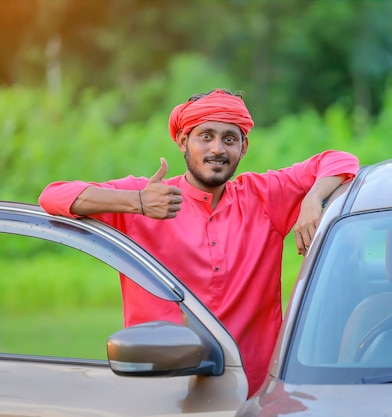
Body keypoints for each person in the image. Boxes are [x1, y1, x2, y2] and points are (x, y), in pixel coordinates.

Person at [38, 88, 359, 396]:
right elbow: (53, 195)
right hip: (162, 389)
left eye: (229, 139)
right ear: (182, 141)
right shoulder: (146, 198)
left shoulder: (264, 197)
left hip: (252, 392)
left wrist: (312, 198)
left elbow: (341, 160)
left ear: (243, 148)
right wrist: (135, 201)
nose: (218, 149)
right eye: (206, 136)